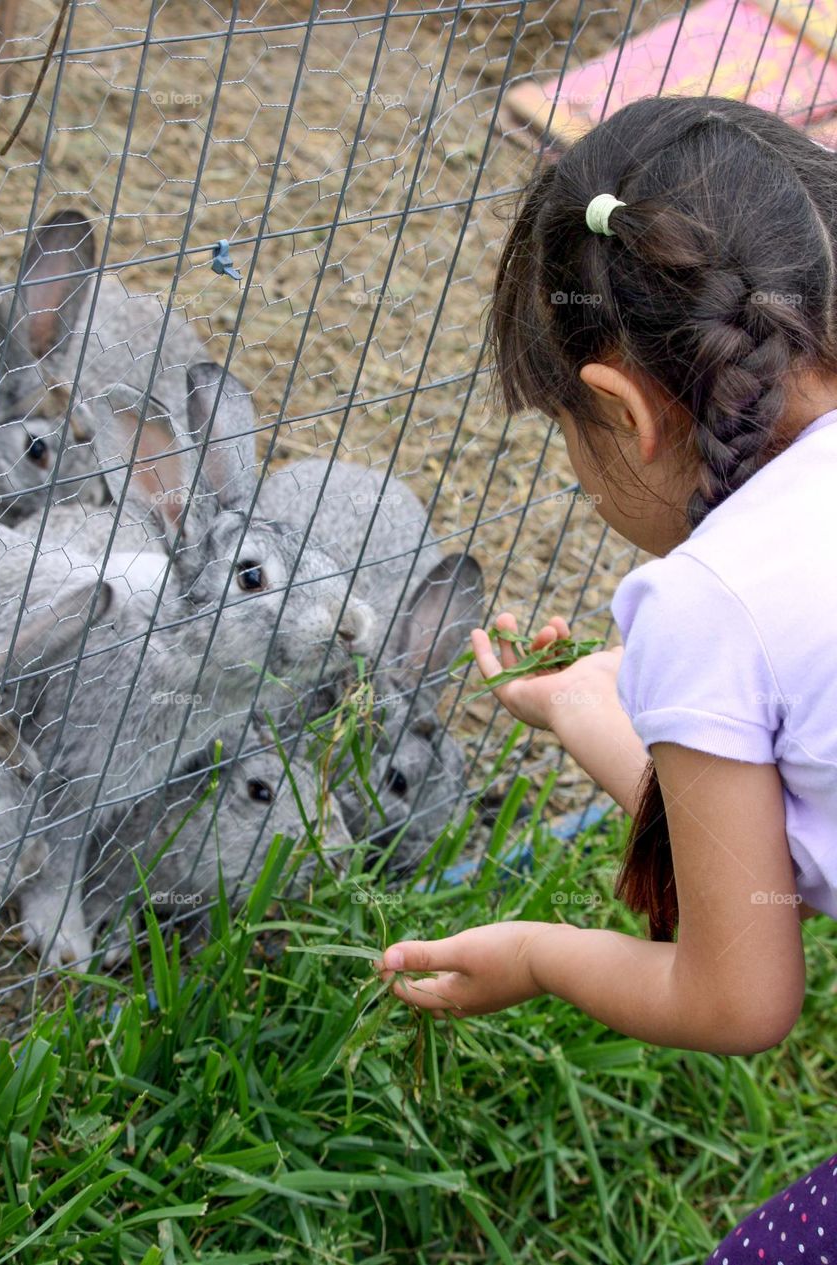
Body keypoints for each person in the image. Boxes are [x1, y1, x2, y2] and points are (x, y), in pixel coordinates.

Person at [377, 95, 837, 1259]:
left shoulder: (708, 602)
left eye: (562, 429)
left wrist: (537, 953)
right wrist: (598, 709)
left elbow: (741, 992)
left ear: (626, 413)